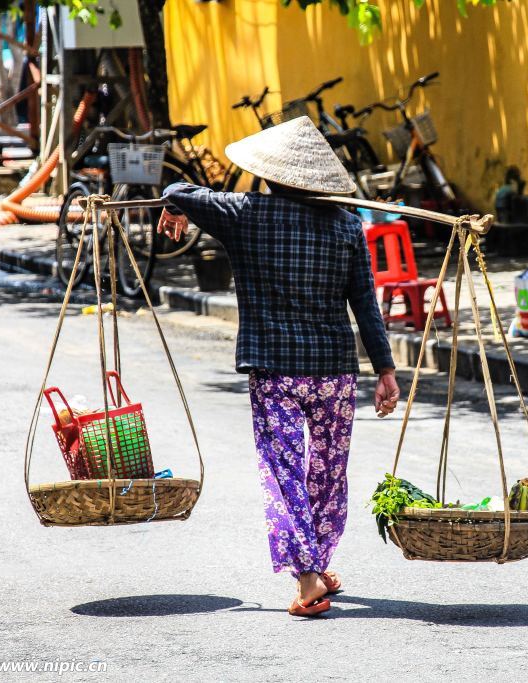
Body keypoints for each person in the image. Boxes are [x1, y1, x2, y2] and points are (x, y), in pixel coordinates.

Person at [156, 117, 399, 617]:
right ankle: (318, 562)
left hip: (275, 371)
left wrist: (174, 206)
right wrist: (386, 370)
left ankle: (310, 577)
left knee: (283, 471)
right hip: (334, 371)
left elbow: (178, 185)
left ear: (269, 175)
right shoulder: (348, 225)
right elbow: (365, 305)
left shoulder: (245, 213)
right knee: (328, 471)